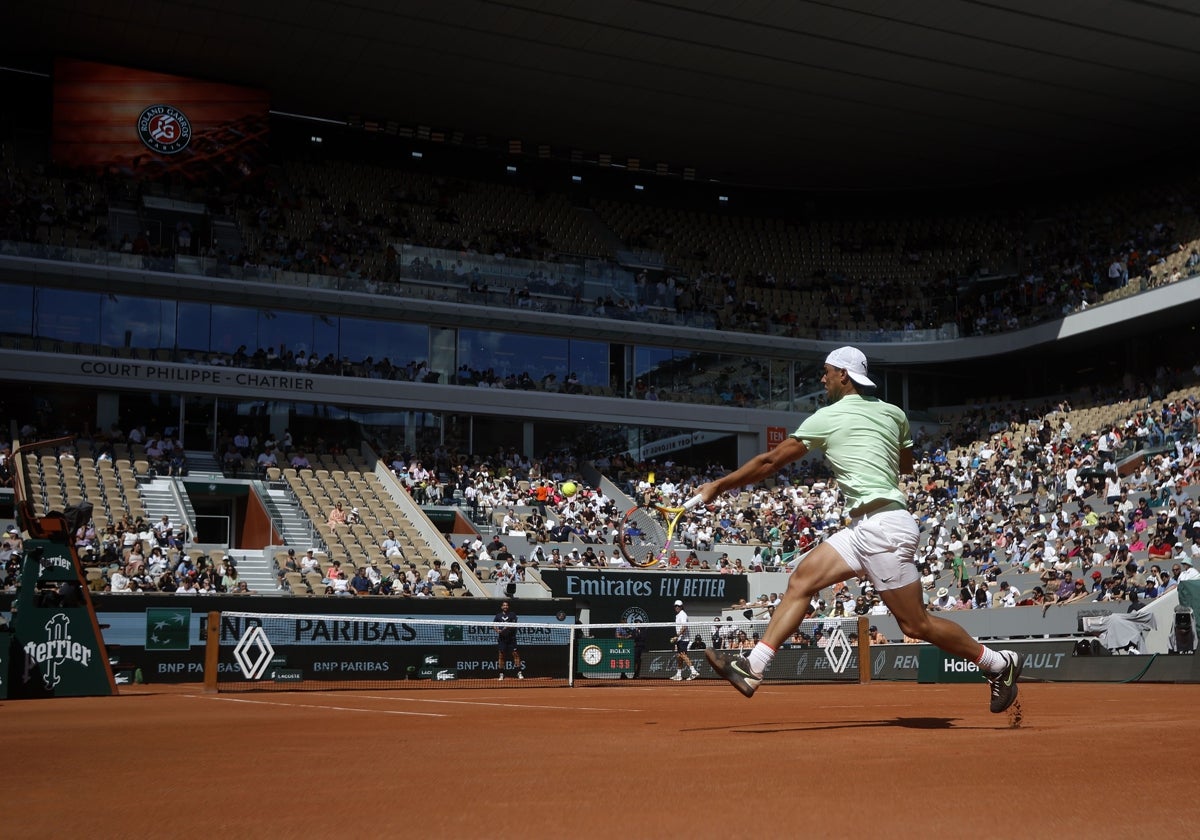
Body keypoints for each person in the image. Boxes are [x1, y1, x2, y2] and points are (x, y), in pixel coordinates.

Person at [698, 346, 1022, 714]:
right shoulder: (894, 414)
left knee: (915, 624)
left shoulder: (828, 417)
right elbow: (905, 464)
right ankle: (753, 667)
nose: (822, 379)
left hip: (882, 528)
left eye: (826, 372)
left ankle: (997, 663)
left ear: (844, 376)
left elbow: (771, 460)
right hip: (866, 526)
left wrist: (718, 486)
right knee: (802, 579)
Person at [670, 599, 701, 681]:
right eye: (676, 606)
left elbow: (684, 626)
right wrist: (677, 638)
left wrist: (677, 636)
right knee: (679, 656)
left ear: (681, 607)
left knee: (683, 655)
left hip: (684, 639)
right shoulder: (678, 615)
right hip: (680, 639)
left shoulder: (683, 614)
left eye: (678, 606)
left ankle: (694, 671)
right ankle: (679, 674)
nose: (677, 607)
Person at [494, 600, 523, 680]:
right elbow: (494, 625)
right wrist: (497, 630)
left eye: (506, 605)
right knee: (501, 655)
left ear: (508, 607)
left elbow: (514, 624)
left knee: (515, 654)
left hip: (511, 639)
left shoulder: (512, 615)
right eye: (504, 605)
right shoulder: (498, 616)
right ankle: (501, 673)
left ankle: (519, 672)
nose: (505, 606)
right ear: (501, 607)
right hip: (502, 639)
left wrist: (506, 627)